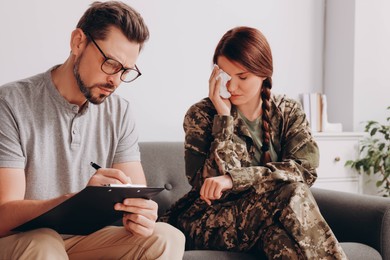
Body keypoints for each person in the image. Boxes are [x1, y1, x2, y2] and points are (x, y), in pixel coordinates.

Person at [0, 1, 185, 259]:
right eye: (110, 63)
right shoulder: (11, 102)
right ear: (78, 42)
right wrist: (76, 199)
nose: (116, 80)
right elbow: (3, 215)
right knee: (44, 243)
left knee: (166, 237)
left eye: (125, 71)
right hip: (22, 242)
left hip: (86, 243)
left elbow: (137, 193)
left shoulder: (119, 112)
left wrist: (143, 214)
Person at [159, 26, 347, 259]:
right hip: (208, 221)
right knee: (289, 190)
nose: (231, 86)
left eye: (242, 77)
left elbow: (305, 171)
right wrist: (224, 120)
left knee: (280, 242)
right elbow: (207, 187)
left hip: (264, 221)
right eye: (225, 76)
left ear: (264, 73)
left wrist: (234, 179)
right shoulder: (200, 115)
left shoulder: (288, 112)